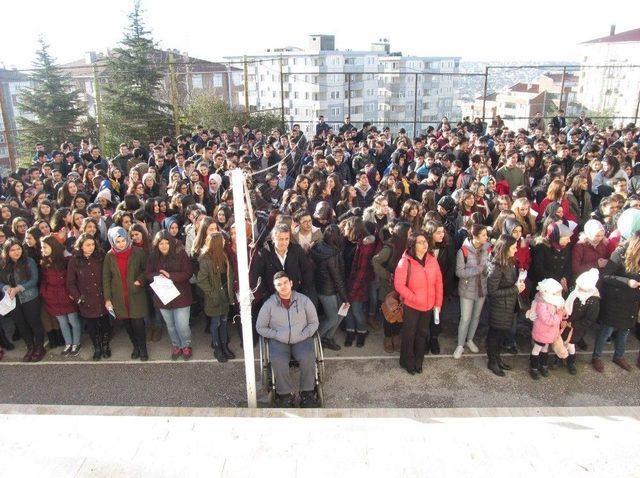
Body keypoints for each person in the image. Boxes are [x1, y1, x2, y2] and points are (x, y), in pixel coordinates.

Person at [256, 271, 319, 408]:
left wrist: (304, 334)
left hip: (301, 338)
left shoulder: (304, 300)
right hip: (279, 340)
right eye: (279, 284)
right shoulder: (269, 305)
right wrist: (276, 334)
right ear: (275, 287)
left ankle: (307, 393)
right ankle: (285, 394)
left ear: (291, 283)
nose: (283, 286)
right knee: (278, 361)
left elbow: (314, 322)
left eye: (285, 283)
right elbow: (260, 327)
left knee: (308, 357)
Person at [393, 231, 443, 375]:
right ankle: (407, 361)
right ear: (412, 245)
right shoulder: (405, 262)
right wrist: (414, 298)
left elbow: (438, 282)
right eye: (420, 242)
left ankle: (418, 361)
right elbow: (399, 285)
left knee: (422, 334)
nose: (425, 244)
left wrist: (438, 303)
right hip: (412, 306)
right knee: (409, 334)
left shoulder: (432, 259)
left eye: (425, 241)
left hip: (428, 306)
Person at [592, 233, 640, 372]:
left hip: (632, 300)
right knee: (607, 330)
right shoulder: (619, 254)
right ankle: (597, 357)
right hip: (616, 300)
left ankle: (619, 356)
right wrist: (627, 282)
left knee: (625, 330)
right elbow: (606, 276)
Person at [103, 227, 150, 361]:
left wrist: (139, 281)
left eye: (123, 240)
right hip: (119, 296)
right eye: (118, 241)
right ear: (112, 242)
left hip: (135, 294)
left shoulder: (138, 252)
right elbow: (106, 278)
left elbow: (146, 269)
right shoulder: (109, 255)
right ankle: (135, 346)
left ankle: (143, 348)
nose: (121, 244)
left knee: (138, 323)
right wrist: (107, 298)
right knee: (127, 325)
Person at [146, 231, 193, 360]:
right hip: (163, 297)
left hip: (181, 296)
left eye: (167, 243)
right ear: (157, 244)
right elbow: (148, 274)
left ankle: (186, 345)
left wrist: (170, 276)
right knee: (171, 325)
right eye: (161, 243)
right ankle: (176, 345)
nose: (164, 246)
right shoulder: (153, 256)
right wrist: (157, 276)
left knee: (182, 325)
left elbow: (188, 273)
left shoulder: (180, 254)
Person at [67, 233, 111, 360]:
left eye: (92, 244)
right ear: (81, 246)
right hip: (87, 300)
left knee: (105, 324)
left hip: (102, 297)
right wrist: (78, 298)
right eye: (87, 245)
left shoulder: (101, 256)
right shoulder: (74, 260)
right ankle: (97, 347)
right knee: (92, 327)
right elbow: (70, 283)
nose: (91, 247)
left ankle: (105, 345)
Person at [0, 238, 45, 362]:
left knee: (34, 322)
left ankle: (40, 347)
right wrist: (6, 287)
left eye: (18, 249)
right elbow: (0, 282)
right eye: (12, 250)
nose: (16, 252)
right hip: (13, 300)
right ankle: (30, 347)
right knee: (21, 324)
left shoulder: (29, 261)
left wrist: (18, 288)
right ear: (7, 252)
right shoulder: (3, 264)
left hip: (30, 297)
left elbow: (34, 280)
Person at [486, 235, 524, 377]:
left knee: (500, 335)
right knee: (495, 335)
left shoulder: (509, 261)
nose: (516, 250)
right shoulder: (497, 266)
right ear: (506, 248)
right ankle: (492, 361)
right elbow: (492, 291)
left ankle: (497, 359)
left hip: (507, 306)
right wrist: (515, 289)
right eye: (514, 247)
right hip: (499, 307)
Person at [372, 222, 411, 353]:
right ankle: (388, 337)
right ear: (403, 234)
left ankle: (396, 335)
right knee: (389, 314)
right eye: (409, 232)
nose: (412, 234)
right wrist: (388, 275)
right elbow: (375, 261)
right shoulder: (390, 247)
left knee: (401, 313)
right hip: (389, 288)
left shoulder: (409, 246)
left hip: (404, 287)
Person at [454, 224, 491, 359]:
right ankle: (460, 345)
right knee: (465, 318)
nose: (486, 237)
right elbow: (459, 272)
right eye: (483, 235)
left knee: (476, 317)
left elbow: (487, 268)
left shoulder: (486, 249)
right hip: (467, 289)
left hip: (481, 288)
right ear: (475, 236)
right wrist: (477, 270)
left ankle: (470, 340)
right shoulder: (463, 251)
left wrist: (487, 270)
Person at [39, 234, 80, 356]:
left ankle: (76, 343)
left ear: (53, 246)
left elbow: (73, 279)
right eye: (42, 248)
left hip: (67, 296)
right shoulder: (44, 263)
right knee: (62, 322)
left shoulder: (66, 260)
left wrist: (73, 293)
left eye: (45, 247)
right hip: (53, 298)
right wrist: (45, 293)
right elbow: (43, 280)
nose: (43, 250)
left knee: (73, 321)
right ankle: (68, 343)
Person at [197, 231, 235, 362]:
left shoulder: (223, 255)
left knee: (224, 322)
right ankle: (217, 348)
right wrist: (213, 294)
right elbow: (201, 280)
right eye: (222, 241)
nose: (225, 242)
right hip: (214, 298)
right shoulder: (206, 259)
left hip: (225, 296)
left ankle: (225, 346)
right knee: (216, 323)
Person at [310, 225, 348, 351]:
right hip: (328, 291)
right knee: (333, 318)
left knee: (340, 314)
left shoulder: (319, 246)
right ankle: (314, 340)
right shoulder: (332, 255)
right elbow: (337, 279)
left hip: (325, 287)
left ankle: (328, 338)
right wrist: (345, 298)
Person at [527, 278, 566, 379]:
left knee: (545, 348)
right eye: (557, 292)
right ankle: (534, 367)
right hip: (542, 331)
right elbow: (547, 319)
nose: (559, 294)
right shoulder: (542, 303)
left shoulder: (552, 301)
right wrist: (559, 315)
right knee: (537, 349)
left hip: (549, 333)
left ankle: (543, 365)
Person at [564, 268, 600, 374]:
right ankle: (559, 358)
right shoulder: (574, 292)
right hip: (566, 322)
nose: (578, 289)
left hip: (577, 327)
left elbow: (589, 319)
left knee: (570, 344)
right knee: (562, 341)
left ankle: (571, 361)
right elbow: (566, 304)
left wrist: (573, 324)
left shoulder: (593, 300)